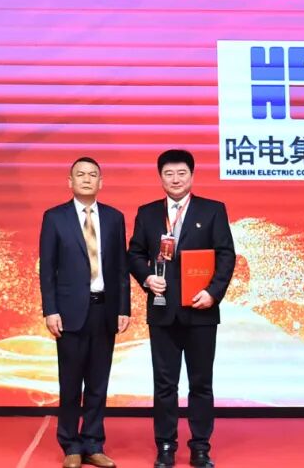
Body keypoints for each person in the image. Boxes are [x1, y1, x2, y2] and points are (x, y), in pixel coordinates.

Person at [128, 150, 236, 468]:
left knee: (201, 383)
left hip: (201, 310)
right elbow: (134, 254)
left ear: (192, 175)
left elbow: (226, 255)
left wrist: (213, 293)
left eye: (181, 173)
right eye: (169, 174)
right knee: (165, 385)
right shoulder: (147, 213)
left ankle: (200, 446)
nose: (175, 179)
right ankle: (165, 445)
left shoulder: (212, 210)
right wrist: (147, 278)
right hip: (162, 310)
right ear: (160, 177)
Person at [39, 157, 131, 468]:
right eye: (81, 174)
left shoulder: (115, 218)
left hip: (104, 309)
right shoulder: (55, 218)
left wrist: (123, 308)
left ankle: (93, 443)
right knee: (70, 383)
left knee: (98, 383)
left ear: (101, 182)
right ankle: (70, 445)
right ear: (70, 182)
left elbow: (121, 269)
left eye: (93, 175)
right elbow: (47, 269)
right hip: (69, 312)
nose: (87, 179)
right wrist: (50, 310)